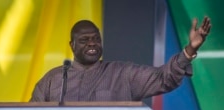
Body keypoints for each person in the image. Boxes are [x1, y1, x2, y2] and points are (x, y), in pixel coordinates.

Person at [30, 17, 211, 102]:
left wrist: (189, 50)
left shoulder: (122, 73)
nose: (92, 43)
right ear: (72, 46)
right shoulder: (53, 80)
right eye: (85, 40)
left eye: (96, 38)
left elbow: (163, 78)